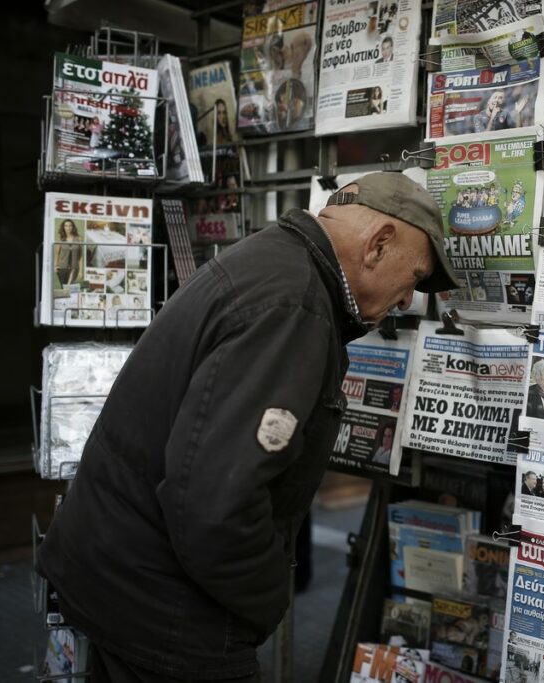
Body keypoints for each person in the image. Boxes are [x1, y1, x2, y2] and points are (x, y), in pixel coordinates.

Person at [36, 173, 461, 682]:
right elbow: (215, 504)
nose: (407, 300)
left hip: (118, 576)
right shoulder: (294, 308)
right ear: (378, 244)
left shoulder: (271, 261)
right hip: (165, 609)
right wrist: (265, 600)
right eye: (413, 277)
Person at [54, 219, 82, 287]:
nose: (68, 228)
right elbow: (57, 254)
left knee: (70, 288)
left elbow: (80, 256)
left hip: (74, 268)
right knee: (64, 288)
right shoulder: (61, 239)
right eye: (66, 226)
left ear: (73, 227)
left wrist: (81, 270)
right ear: (63, 227)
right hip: (62, 268)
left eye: (70, 226)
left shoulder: (79, 238)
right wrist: (55, 266)